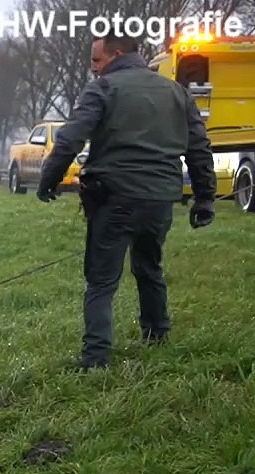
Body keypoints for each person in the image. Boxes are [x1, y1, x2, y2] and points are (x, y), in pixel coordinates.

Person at [36, 30, 216, 371]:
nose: (93, 68)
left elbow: (69, 139)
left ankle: (95, 360)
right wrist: (204, 199)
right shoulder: (176, 91)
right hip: (160, 199)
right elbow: (198, 148)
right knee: (150, 267)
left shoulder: (103, 88)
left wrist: (49, 181)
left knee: (102, 280)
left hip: (114, 198)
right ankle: (157, 335)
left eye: (96, 60)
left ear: (116, 55)